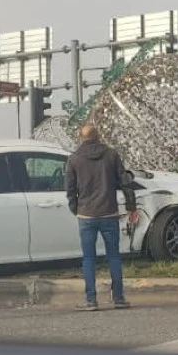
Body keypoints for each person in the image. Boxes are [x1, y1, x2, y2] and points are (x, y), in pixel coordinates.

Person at [65, 124, 137, 311]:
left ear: (80, 137)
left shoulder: (74, 159)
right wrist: (131, 207)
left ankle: (91, 300)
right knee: (114, 256)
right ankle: (118, 298)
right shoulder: (111, 155)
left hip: (86, 215)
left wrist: (76, 208)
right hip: (109, 212)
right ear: (98, 136)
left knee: (88, 258)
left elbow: (70, 189)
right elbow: (125, 182)